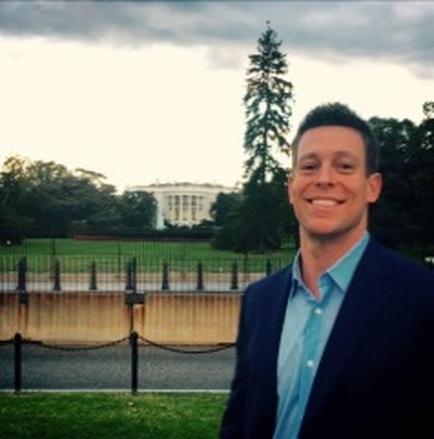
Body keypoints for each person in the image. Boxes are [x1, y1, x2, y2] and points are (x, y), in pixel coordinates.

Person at [220, 102, 434, 439]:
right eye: (309, 166)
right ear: (291, 186)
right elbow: (239, 423)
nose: (323, 179)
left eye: (345, 166)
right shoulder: (259, 301)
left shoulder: (422, 298)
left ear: (372, 187)